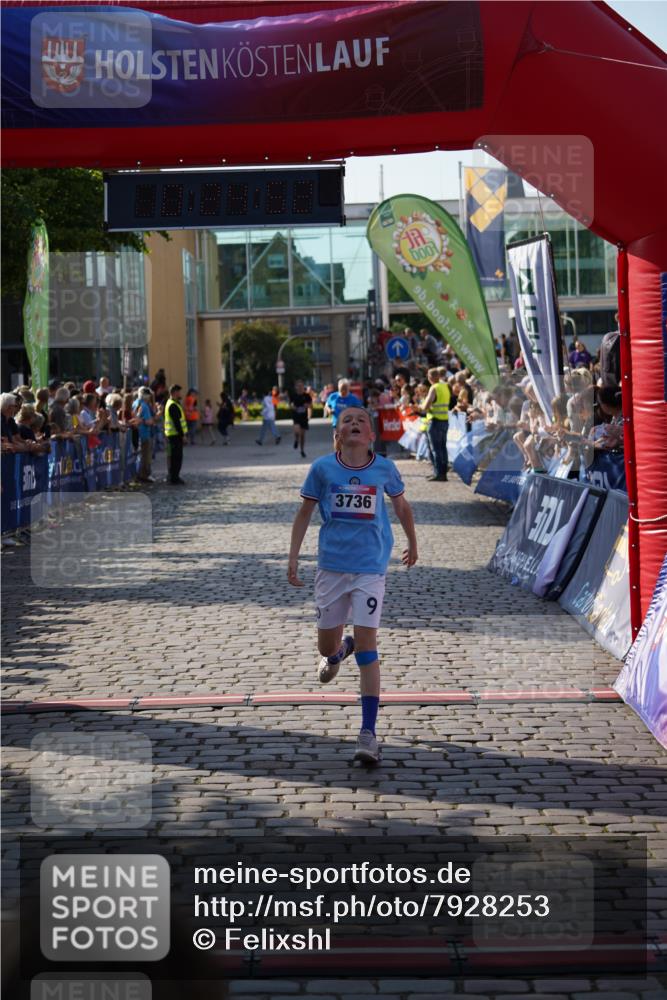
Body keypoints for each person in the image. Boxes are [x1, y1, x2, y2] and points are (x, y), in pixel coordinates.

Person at [288, 406, 418, 765]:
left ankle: (368, 733)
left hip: (370, 568)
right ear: (337, 434)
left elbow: (402, 507)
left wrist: (413, 541)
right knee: (326, 645)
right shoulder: (322, 469)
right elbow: (304, 514)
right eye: (347, 420)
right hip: (331, 567)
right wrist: (293, 556)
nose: (355, 423)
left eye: (362, 420)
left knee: (368, 647)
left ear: (371, 435)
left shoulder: (385, 468)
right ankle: (336, 651)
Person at [420, 367, 451, 481]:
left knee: (435, 449)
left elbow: (426, 406)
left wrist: (421, 406)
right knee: (442, 448)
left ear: (431, 377)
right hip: (445, 420)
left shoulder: (434, 387)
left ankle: (438, 473)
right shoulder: (445, 386)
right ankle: (442, 473)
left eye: (428, 376)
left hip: (435, 421)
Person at [164, 384, 187, 484]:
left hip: (172, 435)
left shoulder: (171, 403)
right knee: (176, 458)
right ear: (174, 393)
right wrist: (183, 435)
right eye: (178, 392)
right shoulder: (172, 405)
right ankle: (174, 478)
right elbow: (177, 423)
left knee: (172, 457)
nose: (180, 394)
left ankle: (173, 477)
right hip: (175, 436)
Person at [133, 387, 155, 482]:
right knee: (145, 456)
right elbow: (149, 421)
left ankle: (139, 474)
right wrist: (152, 420)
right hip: (145, 433)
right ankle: (144, 475)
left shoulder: (134, 403)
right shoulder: (144, 406)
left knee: (140, 455)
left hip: (137, 433)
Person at [290, 379, 312, 457]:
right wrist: (293, 406)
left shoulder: (307, 396)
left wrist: (308, 407)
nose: (300, 387)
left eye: (301, 386)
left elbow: (310, 405)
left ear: (303, 387)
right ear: (296, 387)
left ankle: (302, 450)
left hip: (304, 417)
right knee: (297, 431)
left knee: (302, 435)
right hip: (296, 416)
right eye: (298, 386)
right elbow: (290, 404)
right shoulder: (293, 395)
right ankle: (296, 440)